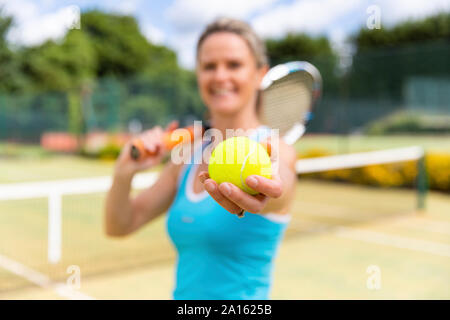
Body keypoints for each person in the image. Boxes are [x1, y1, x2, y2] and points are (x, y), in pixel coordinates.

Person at [104, 17, 297, 300]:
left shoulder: (277, 150)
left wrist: (267, 188)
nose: (220, 76)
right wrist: (124, 173)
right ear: (198, 75)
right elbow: (120, 225)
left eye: (234, 65)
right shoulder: (187, 156)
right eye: (209, 66)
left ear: (259, 75)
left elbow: (280, 184)